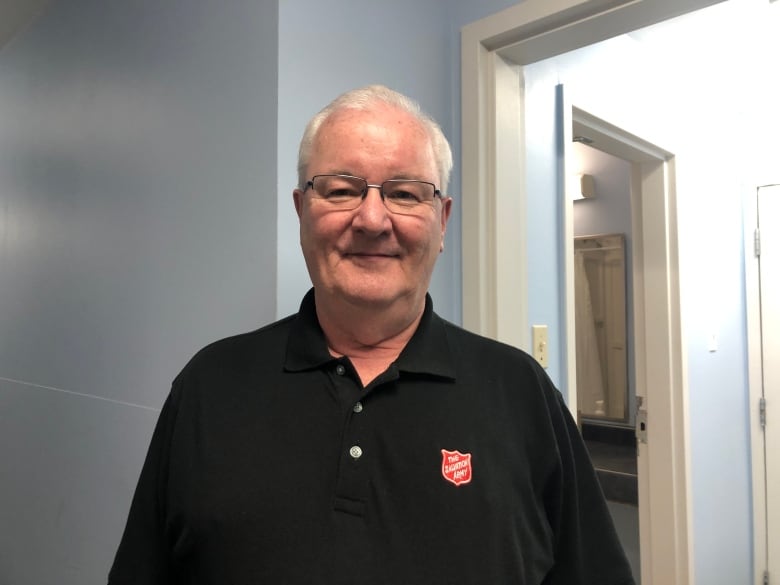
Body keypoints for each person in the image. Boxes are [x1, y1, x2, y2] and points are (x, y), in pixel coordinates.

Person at [108, 85, 635, 585]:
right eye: (340, 189)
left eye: (405, 193)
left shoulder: (522, 393)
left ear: (442, 220)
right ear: (300, 212)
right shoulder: (210, 386)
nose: (372, 219)